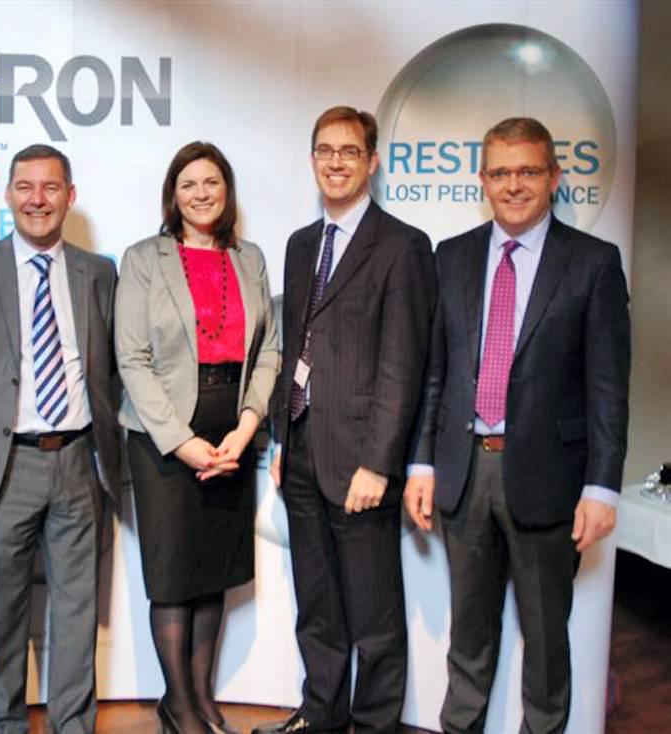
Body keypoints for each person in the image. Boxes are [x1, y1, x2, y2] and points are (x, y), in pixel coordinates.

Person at [403, 117, 629, 734]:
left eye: (528, 170)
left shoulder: (593, 263)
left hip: (550, 481)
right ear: (483, 179)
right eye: (500, 172)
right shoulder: (451, 257)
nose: (513, 185)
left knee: (546, 641)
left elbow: (608, 387)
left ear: (553, 176)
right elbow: (436, 374)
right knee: (468, 635)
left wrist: (602, 487)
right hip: (464, 473)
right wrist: (422, 462)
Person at [0, 144, 124, 733]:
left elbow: (110, 367)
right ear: (8, 194)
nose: (37, 200)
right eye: (25, 186)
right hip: (5, 465)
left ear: (70, 196)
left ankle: (74, 726)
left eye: (50, 187)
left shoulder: (99, 272)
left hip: (78, 460)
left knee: (77, 611)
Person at [261, 106, 437, 734]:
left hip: (362, 460)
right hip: (302, 451)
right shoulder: (301, 244)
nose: (335, 162)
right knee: (317, 605)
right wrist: (282, 439)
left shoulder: (403, 246)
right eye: (325, 151)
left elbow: (403, 365)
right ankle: (321, 714)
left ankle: (374, 725)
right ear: (313, 159)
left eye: (349, 151)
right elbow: (296, 347)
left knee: (374, 616)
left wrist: (379, 463)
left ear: (372, 161)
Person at [115, 141, 279, 734]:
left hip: (230, 433)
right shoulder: (144, 258)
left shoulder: (250, 258)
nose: (201, 193)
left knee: (215, 570)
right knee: (174, 574)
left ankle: (203, 699)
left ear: (227, 191)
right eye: (188, 184)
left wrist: (247, 425)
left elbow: (269, 351)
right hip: (163, 440)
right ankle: (179, 705)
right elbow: (131, 358)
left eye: (212, 182)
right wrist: (180, 441)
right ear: (173, 195)